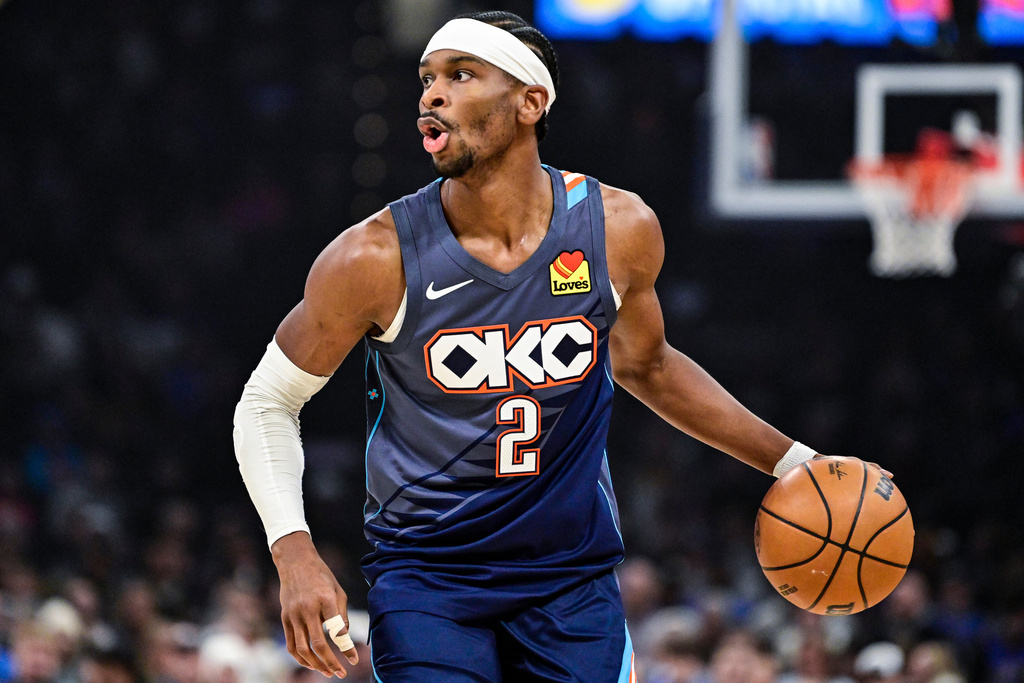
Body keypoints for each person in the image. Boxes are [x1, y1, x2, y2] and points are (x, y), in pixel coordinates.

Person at [233, 11, 872, 681]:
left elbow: (648, 366)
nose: (430, 94)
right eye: (426, 79)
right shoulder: (374, 256)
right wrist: (293, 551)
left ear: (531, 102)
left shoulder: (617, 229)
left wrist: (796, 460)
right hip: (430, 582)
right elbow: (267, 399)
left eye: (460, 74)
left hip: (571, 582)